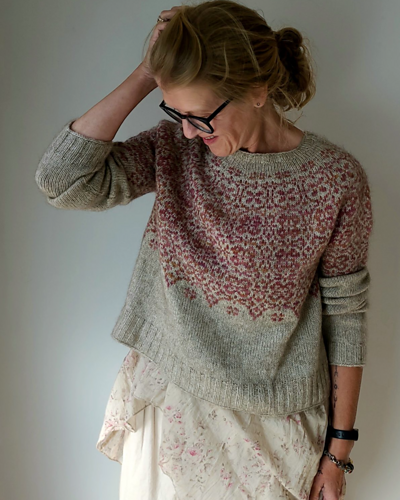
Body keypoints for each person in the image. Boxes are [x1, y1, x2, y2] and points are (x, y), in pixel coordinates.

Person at [35, 1, 374, 499]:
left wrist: (338, 452)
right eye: (176, 113)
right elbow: (62, 182)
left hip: (275, 426)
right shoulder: (177, 149)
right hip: (171, 403)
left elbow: (345, 316)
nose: (188, 131)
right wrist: (146, 74)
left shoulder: (335, 179)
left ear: (257, 91)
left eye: (200, 117)